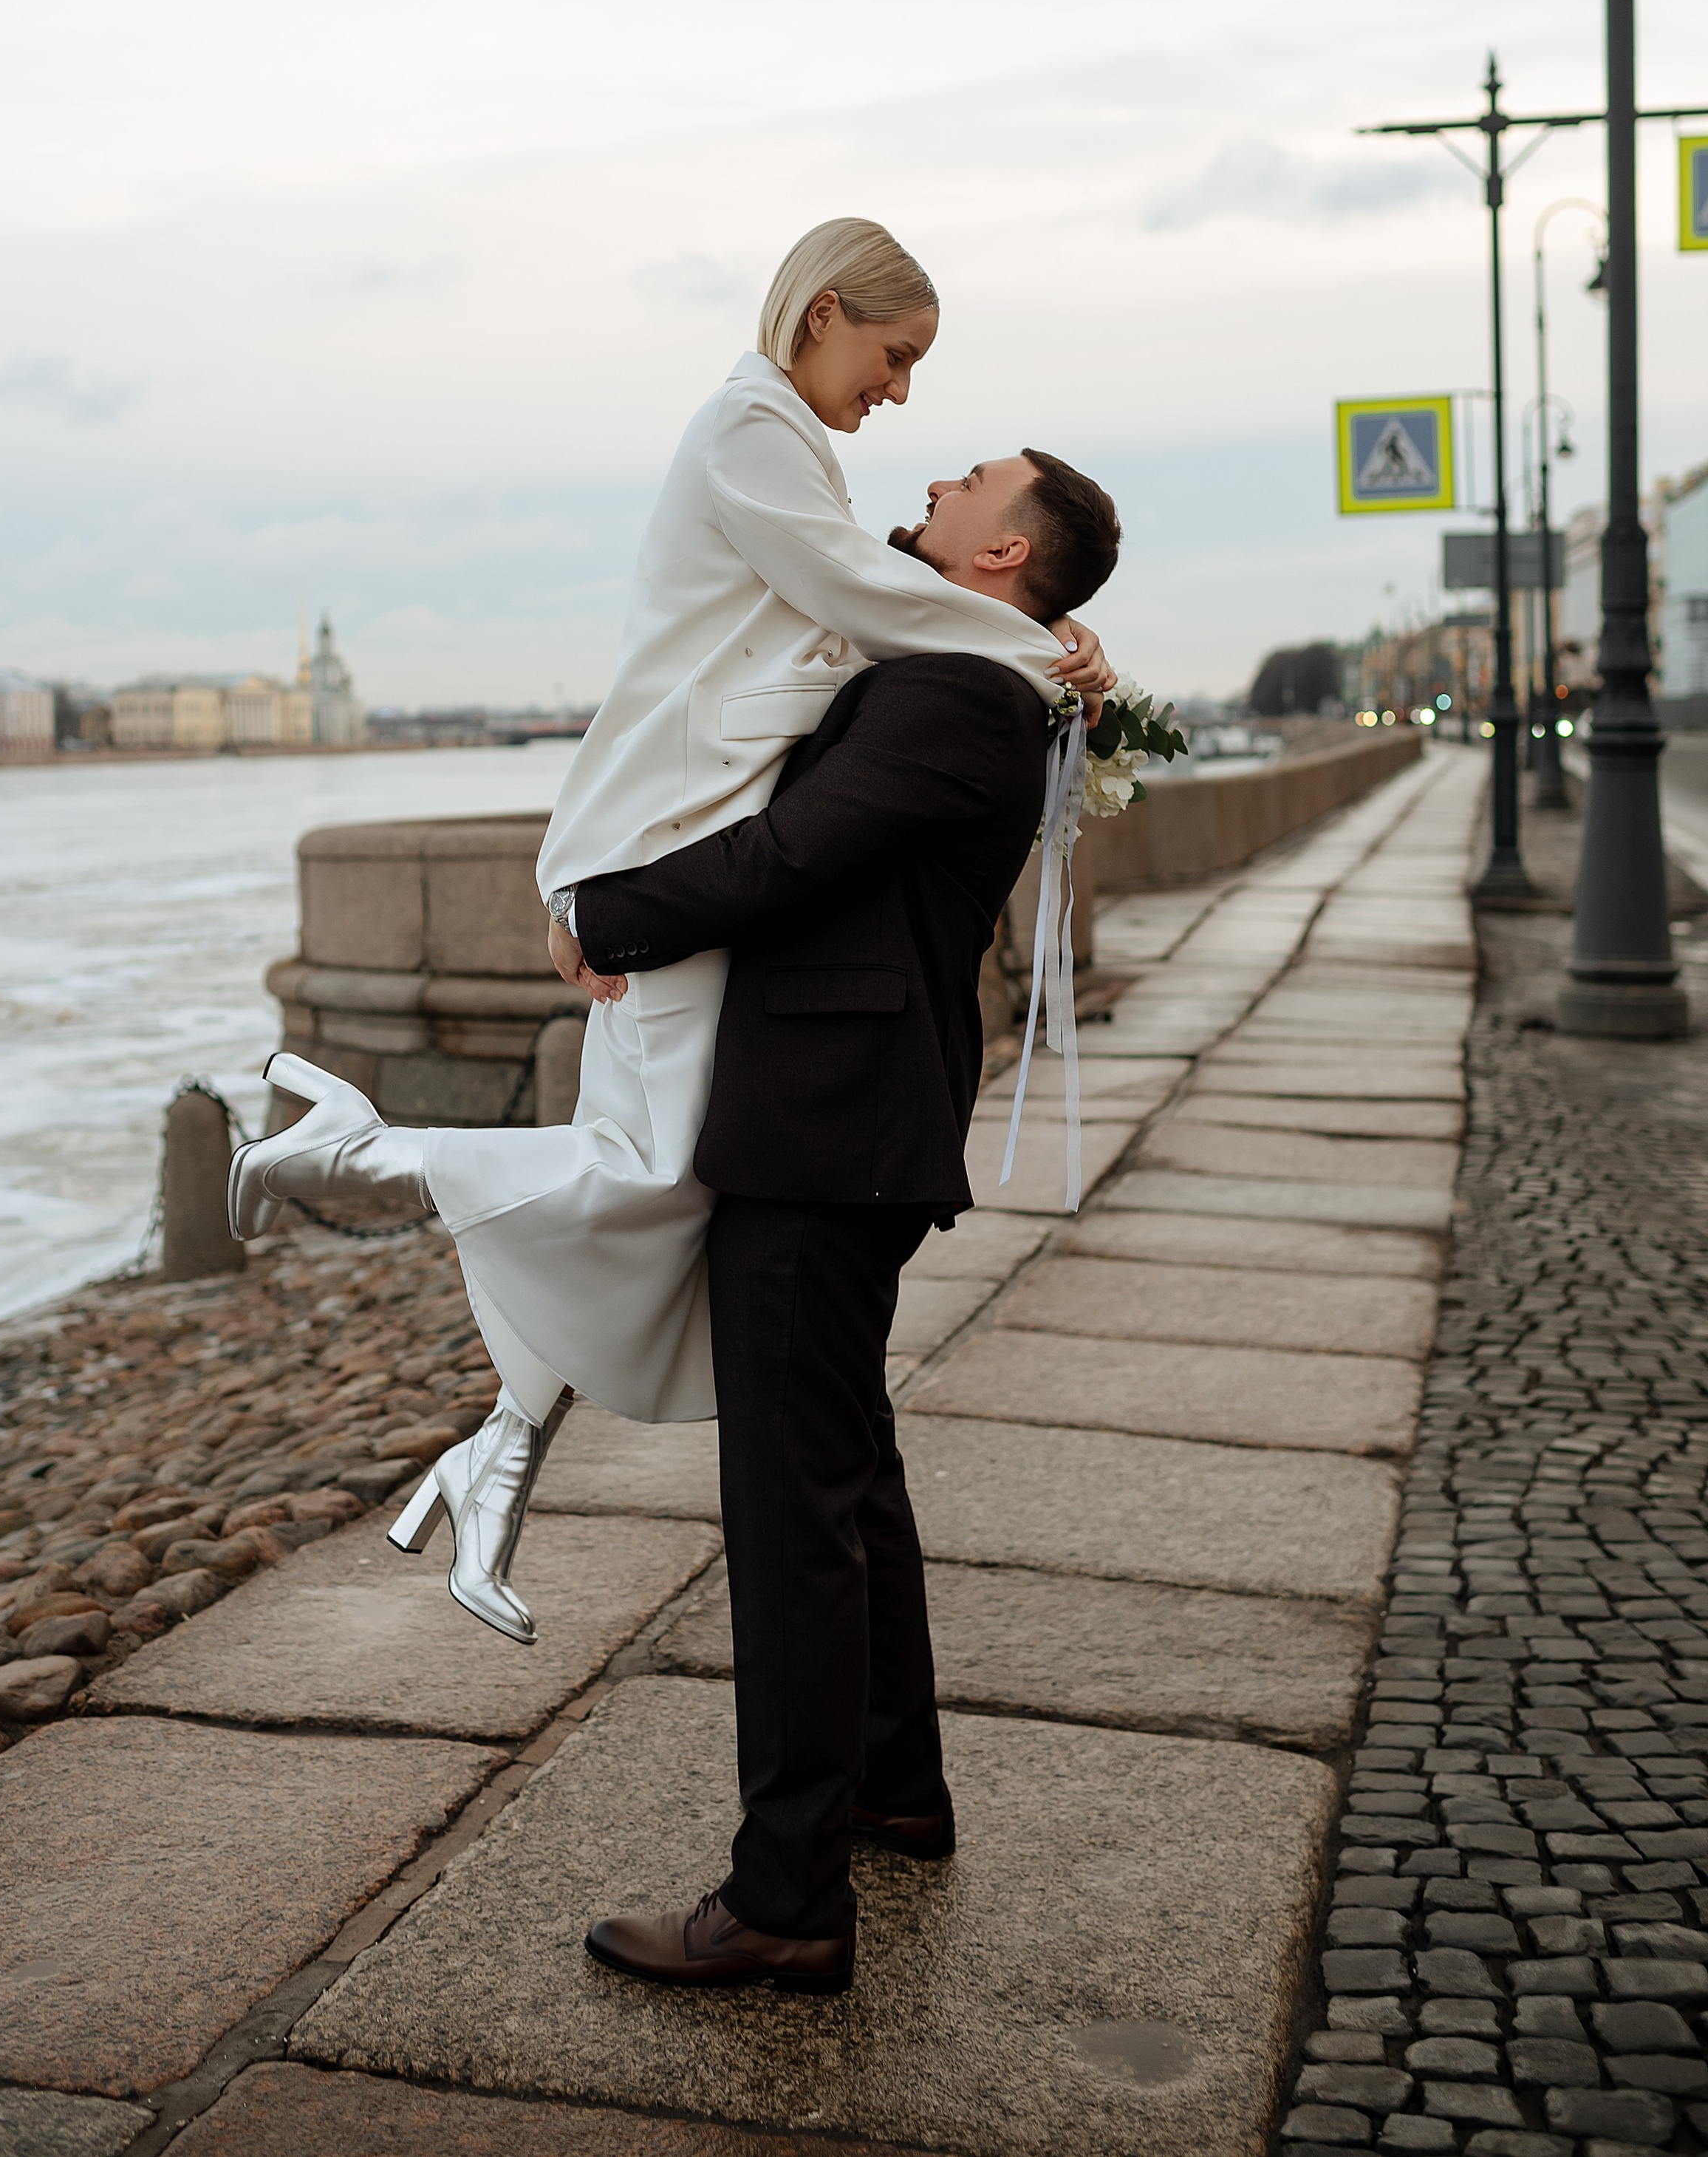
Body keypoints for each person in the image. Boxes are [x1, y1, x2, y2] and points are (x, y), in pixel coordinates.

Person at [226, 219, 1113, 1647]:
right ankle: (372, 1186)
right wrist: (1048, 655)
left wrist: (1054, 660)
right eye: (894, 356)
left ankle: (494, 1437)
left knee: (652, 1173)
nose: (902, 399)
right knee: (651, 1170)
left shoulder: (791, 445)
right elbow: (859, 598)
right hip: (664, 832)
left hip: (686, 839)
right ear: (825, 314)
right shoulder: (749, 431)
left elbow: (862, 619)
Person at [567, 449, 1122, 1992]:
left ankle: (785, 1896)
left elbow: (783, 857)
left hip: (822, 1129)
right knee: (846, 1475)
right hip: (852, 1118)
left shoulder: (952, 692)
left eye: (968, 480)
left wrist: (600, 912)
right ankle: (890, 1783)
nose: (932, 475)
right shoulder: (964, 666)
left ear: (1003, 550)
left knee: (788, 1511)